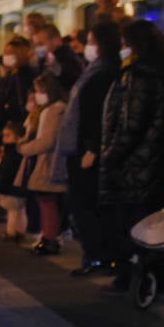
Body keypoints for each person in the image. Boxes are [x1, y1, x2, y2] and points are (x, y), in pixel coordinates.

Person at [99, 20, 164, 292]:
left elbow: (132, 123)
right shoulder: (161, 71)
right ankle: (148, 273)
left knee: (133, 223)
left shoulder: (139, 76)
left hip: (136, 165)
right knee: (145, 220)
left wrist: (110, 155)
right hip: (151, 161)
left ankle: (139, 276)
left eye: (124, 44)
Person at [54, 20, 123, 276]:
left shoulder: (104, 72)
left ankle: (98, 255)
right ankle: (95, 254)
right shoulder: (94, 70)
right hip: (81, 146)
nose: (88, 46)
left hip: (87, 149)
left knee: (86, 204)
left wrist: (92, 147)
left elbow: (97, 114)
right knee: (83, 204)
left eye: (92, 41)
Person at [17, 73, 68, 255]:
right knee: (45, 200)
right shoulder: (50, 110)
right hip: (45, 160)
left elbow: (47, 140)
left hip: (48, 161)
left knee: (47, 201)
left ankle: (49, 238)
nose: (38, 95)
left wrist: (24, 148)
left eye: (40, 91)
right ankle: (48, 236)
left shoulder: (54, 111)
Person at [0, 120, 28, 241]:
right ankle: (20, 231)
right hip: (21, 186)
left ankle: (11, 232)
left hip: (11, 188)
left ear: (18, 137)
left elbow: (7, 172)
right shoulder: (22, 151)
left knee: (12, 212)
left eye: (8, 135)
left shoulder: (11, 154)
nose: (4, 139)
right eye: (4, 135)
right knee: (21, 210)